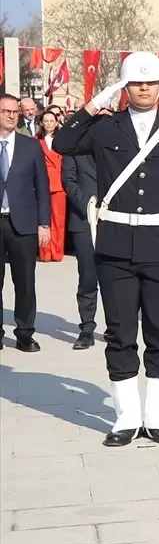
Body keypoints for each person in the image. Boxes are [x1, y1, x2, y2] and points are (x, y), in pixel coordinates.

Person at [53, 52, 159, 447]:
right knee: (121, 333)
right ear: (125, 87)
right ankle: (126, 418)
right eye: (136, 83)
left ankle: (158, 417)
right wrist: (94, 104)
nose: (145, 88)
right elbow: (62, 141)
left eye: (152, 83)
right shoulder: (106, 130)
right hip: (115, 249)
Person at [0, 93, 51, 352]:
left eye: (14, 112)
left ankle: (24, 332)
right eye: (5, 111)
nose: (11, 115)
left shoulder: (30, 146)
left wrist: (44, 223)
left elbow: (42, 187)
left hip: (23, 224)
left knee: (25, 282)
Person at [61, 145, 100, 349]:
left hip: (116, 220)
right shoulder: (74, 150)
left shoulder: (116, 147)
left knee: (119, 277)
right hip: (84, 219)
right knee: (87, 276)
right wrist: (89, 205)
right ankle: (87, 327)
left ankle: (116, 326)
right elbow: (69, 180)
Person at [36, 110, 67, 262]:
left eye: (51, 121)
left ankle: (57, 252)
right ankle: (45, 253)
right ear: (41, 123)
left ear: (56, 122)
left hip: (59, 185)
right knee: (43, 220)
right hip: (41, 184)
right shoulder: (36, 140)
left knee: (58, 221)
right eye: (46, 121)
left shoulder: (62, 139)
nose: (48, 123)